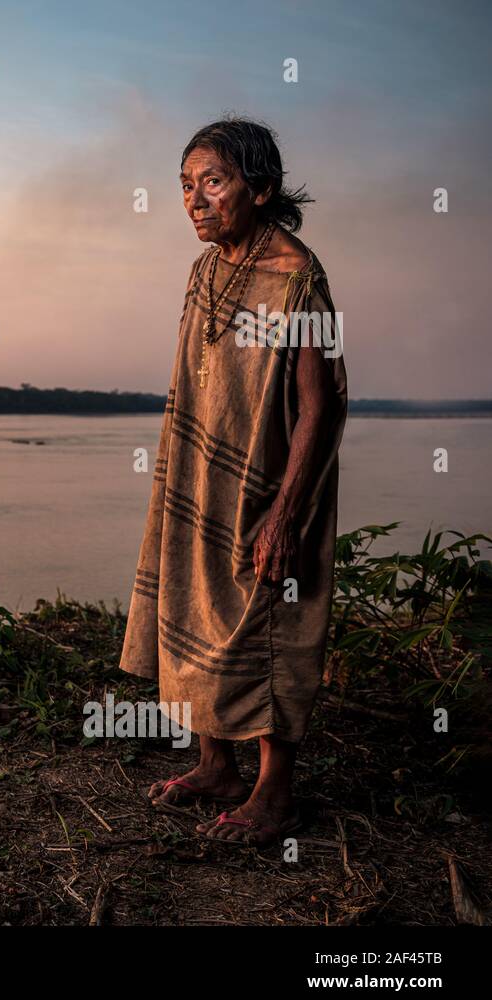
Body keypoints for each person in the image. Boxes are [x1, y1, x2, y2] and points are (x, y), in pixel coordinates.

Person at [119, 116, 349, 846]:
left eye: (211, 182)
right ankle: (217, 766)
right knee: (192, 604)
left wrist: (287, 511)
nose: (194, 200)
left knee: (272, 625)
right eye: (186, 187)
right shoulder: (205, 271)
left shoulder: (299, 278)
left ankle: (274, 794)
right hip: (201, 478)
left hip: (271, 486)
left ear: (261, 188)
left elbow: (325, 402)